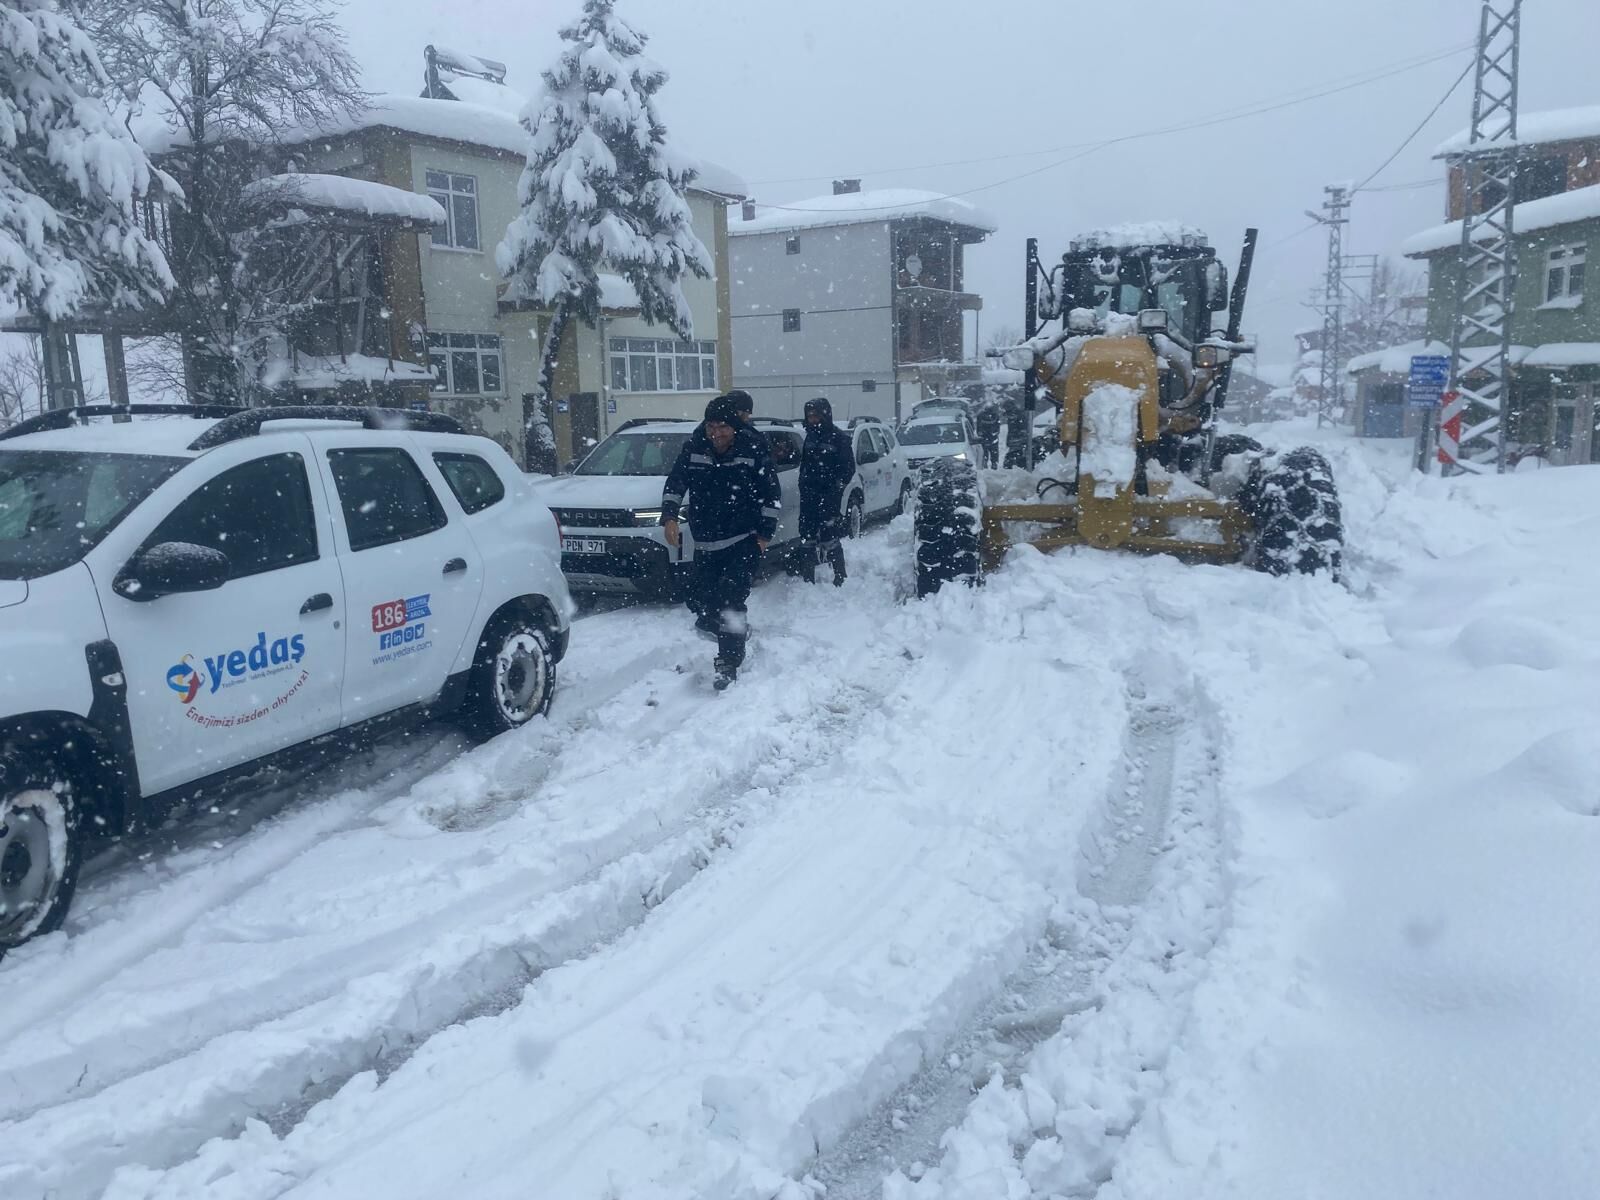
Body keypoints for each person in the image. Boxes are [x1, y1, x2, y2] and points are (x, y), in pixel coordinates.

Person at [661, 395, 782, 689]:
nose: (716, 433)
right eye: (711, 426)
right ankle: (735, 631)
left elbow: (771, 495)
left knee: (731, 600)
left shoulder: (752, 448)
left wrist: (764, 536)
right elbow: (676, 482)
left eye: (722, 426)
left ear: (734, 426)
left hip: (742, 540)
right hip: (705, 543)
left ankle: (727, 662)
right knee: (700, 600)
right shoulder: (695, 447)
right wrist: (669, 517)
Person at [797, 396, 856, 586]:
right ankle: (808, 579)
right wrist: (803, 484)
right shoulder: (810, 438)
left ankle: (840, 576)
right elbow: (804, 465)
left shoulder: (839, 438)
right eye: (810, 416)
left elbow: (848, 468)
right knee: (807, 537)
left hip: (828, 496)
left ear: (825, 416)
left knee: (830, 536)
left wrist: (835, 488)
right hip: (809, 496)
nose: (812, 420)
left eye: (816, 416)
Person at [975, 398, 1002, 469]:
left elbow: (998, 426)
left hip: (993, 436)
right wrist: (980, 433)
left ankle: (994, 463)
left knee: (994, 451)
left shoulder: (995, 416)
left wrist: (995, 433)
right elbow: (978, 426)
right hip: (984, 436)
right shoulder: (980, 415)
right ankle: (985, 462)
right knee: (985, 451)